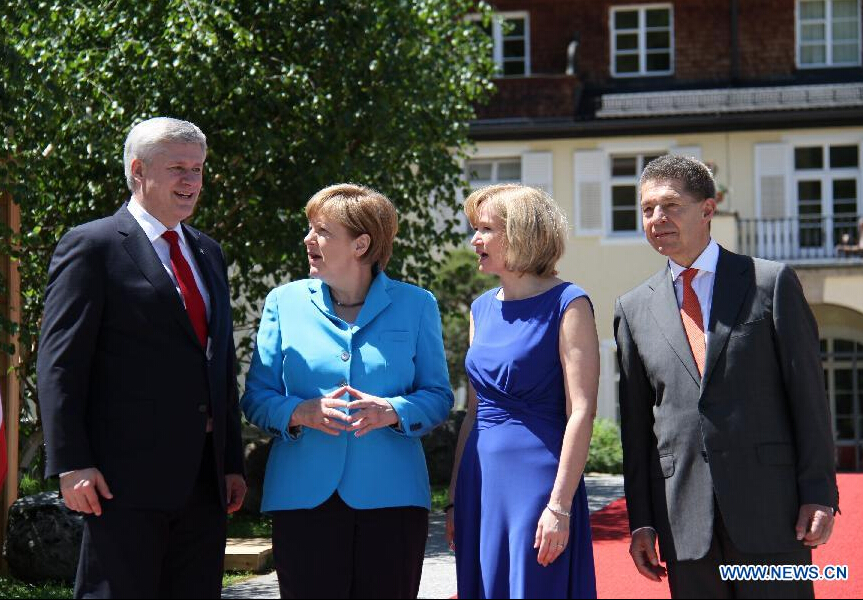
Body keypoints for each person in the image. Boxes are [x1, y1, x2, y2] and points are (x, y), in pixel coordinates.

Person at [37, 117, 246, 598]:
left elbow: (218, 363)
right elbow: (60, 363)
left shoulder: (207, 252)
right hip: (120, 482)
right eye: (178, 168)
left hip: (203, 482)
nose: (192, 182)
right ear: (138, 170)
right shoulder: (93, 246)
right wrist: (71, 463)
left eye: (198, 169)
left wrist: (230, 461)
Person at [614, 155, 839, 598]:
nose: (656, 218)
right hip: (683, 521)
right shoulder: (632, 309)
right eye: (646, 209)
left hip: (772, 514)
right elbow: (636, 429)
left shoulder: (770, 283)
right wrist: (641, 519)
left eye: (670, 205)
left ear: (708, 209)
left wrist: (819, 492)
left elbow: (808, 399)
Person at [241, 183, 453, 599]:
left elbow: (438, 395)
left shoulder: (417, 304)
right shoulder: (283, 302)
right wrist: (299, 413)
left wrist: (392, 409)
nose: (308, 240)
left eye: (321, 231)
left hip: (393, 497)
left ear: (361, 244)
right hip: (302, 496)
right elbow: (256, 397)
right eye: (309, 228)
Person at [446, 184, 598, 599]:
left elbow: (582, 411)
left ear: (522, 234)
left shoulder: (569, 303)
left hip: (539, 481)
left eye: (485, 229)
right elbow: (474, 410)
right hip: (480, 481)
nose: (474, 240)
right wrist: (455, 497)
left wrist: (560, 506)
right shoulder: (480, 307)